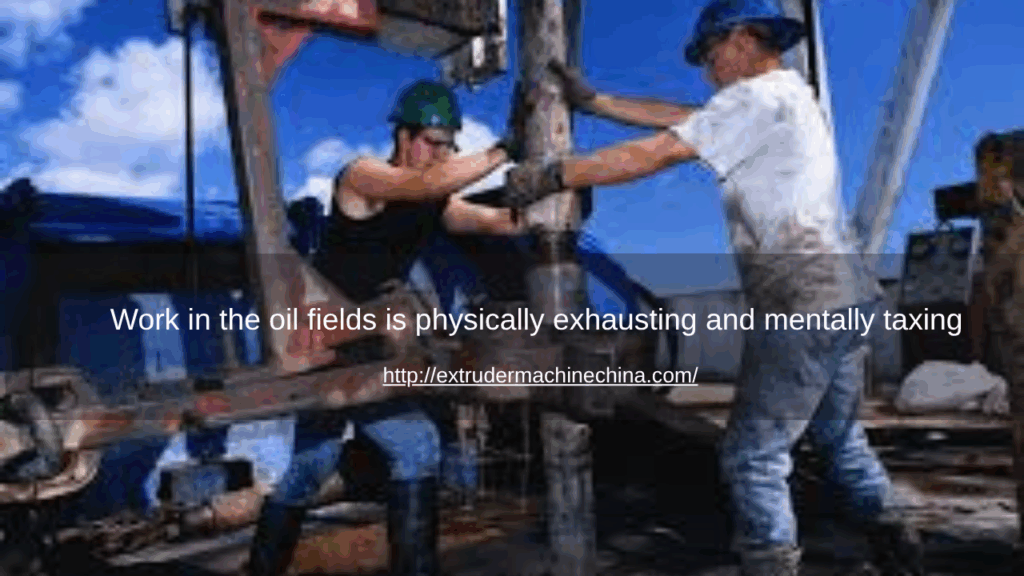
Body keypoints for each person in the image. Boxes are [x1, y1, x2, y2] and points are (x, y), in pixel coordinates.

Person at [500, 1, 924, 575]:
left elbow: (661, 150)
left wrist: (554, 174)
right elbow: (686, 118)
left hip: (801, 300)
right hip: (847, 297)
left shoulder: (755, 99)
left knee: (753, 455)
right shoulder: (790, 96)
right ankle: (901, 551)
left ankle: (770, 564)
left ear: (743, 40)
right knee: (839, 438)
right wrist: (597, 101)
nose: (707, 69)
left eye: (710, 53)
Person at [247, 79, 522, 576]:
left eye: (449, 146)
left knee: (311, 466)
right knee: (414, 446)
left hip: (363, 347)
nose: (441, 155)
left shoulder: (435, 202)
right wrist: (504, 148)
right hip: (326, 341)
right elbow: (423, 186)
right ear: (403, 135)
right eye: (433, 143)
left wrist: (550, 194)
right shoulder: (363, 175)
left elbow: (497, 222)